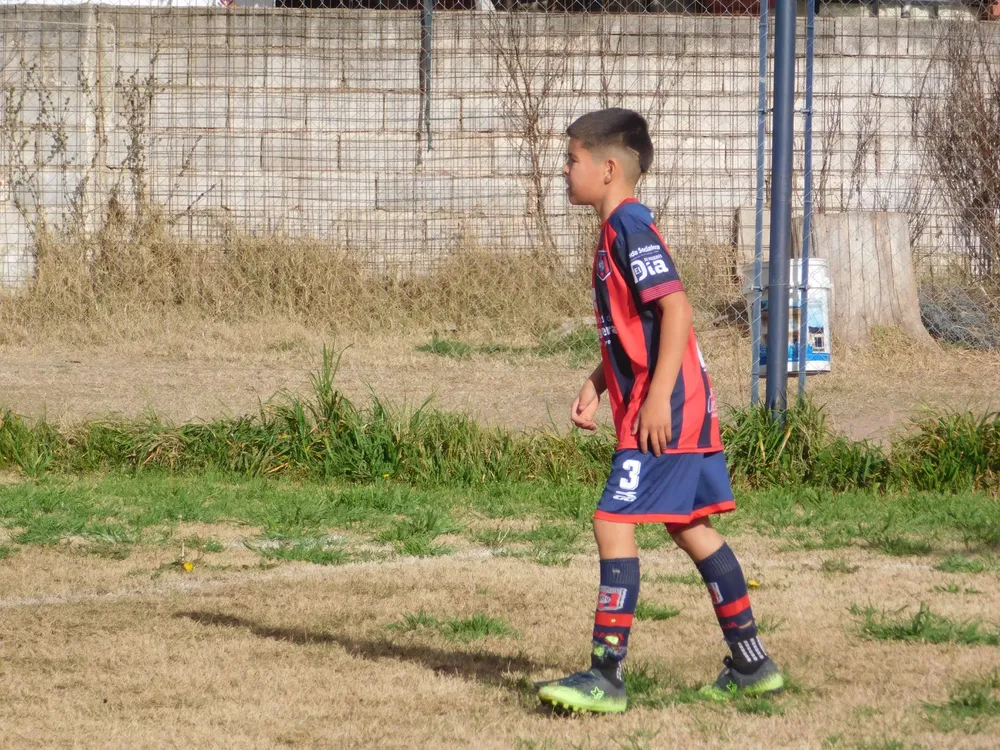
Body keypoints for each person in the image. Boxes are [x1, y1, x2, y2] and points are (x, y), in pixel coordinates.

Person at [536, 108, 783, 714]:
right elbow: (637, 327)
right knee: (688, 524)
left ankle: (606, 675)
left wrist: (652, 401)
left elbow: (675, 309)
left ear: (608, 167)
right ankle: (752, 663)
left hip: (667, 408)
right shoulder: (618, 228)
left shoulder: (629, 228)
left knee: (611, 521)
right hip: (681, 404)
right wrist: (599, 381)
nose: (564, 171)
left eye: (572, 160)